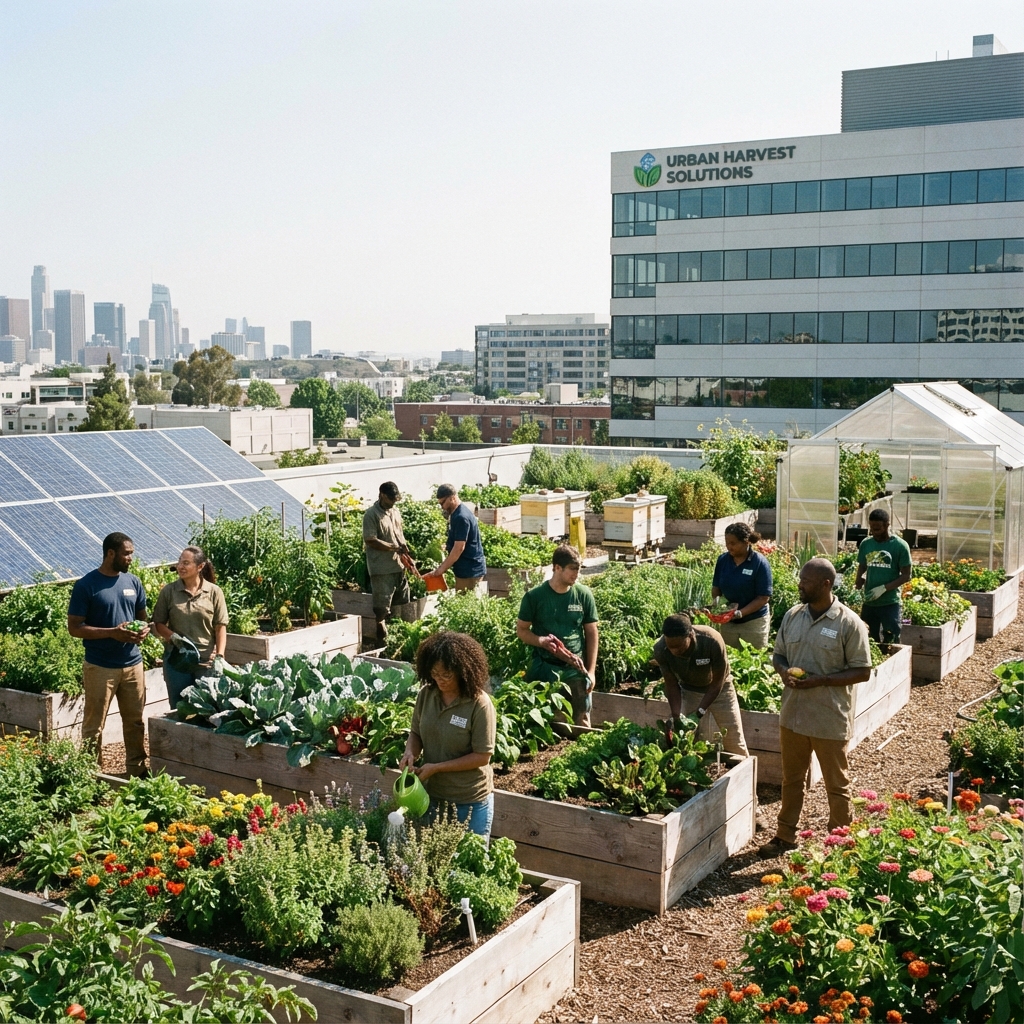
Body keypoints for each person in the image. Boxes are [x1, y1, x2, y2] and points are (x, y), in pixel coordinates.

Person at [759, 557, 873, 859]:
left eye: (806, 581)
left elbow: (863, 671)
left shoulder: (848, 623)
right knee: (791, 780)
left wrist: (821, 680)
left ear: (825, 584)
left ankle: (840, 845)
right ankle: (785, 836)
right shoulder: (793, 616)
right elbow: (778, 655)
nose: (800, 585)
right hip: (793, 715)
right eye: (801, 579)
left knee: (836, 785)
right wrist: (783, 671)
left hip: (829, 718)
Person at [66, 532, 150, 776]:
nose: (131, 558)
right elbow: (74, 628)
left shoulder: (133, 582)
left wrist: (143, 631)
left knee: (135, 722)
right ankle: (90, 775)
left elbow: (143, 619)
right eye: (126, 554)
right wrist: (113, 633)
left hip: (133, 664)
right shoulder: (87, 585)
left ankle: (137, 771)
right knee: (94, 726)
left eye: (131, 553)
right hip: (100, 666)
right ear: (110, 553)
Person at [399, 631, 496, 838]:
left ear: (462, 671)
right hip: (432, 797)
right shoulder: (427, 695)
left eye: (446, 675)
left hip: (469, 801)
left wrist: (437, 768)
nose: (440, 680)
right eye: (435, 674)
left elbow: (482, 756)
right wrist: (410, 753)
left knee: (469, 857)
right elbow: (416, 732)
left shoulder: (479, 704)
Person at [516, 544, 598, 726]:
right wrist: (541, 641)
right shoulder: (535, 597)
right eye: (572, 569)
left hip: (575, 669)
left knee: (581, 724)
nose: (577, 574)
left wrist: (591, 672)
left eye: (579, 569)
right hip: (545, 668)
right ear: (557, 568)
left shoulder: (583, 595)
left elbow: (592, 633)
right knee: (546, 723)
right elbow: (521, 630)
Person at [653, 613, 749, 757]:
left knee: (733, 738)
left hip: (721, 690)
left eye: (679, 647)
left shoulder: (711, 640)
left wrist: (701, 711)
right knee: (687, 739)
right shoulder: (660, 649)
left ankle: (743, 766)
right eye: (670, 646)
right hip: (689, 690)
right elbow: (671, 684)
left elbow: (718, 681)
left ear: (690, 635)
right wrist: (676, 715)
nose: (674, 651)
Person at [152, 546, 229, 709]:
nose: (180, 566)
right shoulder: (169, 591)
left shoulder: (214, 592)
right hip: (177, 661)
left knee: (208, 709)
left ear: (200, 566)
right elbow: (159, 624)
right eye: (180, 561)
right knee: (179, 707)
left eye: (186, 563)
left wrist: (219, 656)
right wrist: (173, 637)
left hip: (205, 662)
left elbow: (220, 627)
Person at [363, 481, 412, 643]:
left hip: (399, 565)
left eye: (395, 499)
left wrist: (404, 549)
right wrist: (393, 547)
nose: (393, 502)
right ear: (382, 495)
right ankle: (381, 639)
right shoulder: (371, 515)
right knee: (382, 607)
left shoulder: (395, 512)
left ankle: (398, 636)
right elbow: (370, 540)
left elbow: (399, 534)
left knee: (402, 602)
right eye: (391, 499)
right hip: (382, 568)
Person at [711, 523, 773, 650]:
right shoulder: (723, 560)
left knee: (754, 657)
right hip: (728, 621)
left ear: (746, 542)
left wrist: (740, 613)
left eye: (733, 543)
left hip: (754, 622)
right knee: (728, 656)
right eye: (727, 543)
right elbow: (716, 588)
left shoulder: (759, 563)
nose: (729, 547)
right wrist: (718, 604)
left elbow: (763, 597)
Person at [855, 509, 912, 645]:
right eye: (872, 528)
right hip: (870, 602)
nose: (874, 532)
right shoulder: (866, 544)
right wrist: (858, 581)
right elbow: (863, 566)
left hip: (890, 603)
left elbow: (906, 575)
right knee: (868, 640)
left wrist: (884, 588)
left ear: (887, 525)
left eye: (878, 529)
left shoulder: (900, 546)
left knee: (892, 639)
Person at [424, 483, 487, 592]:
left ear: (452, 498)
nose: (442, 507)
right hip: (466, 569)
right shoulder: (455, 514)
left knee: (465, 601)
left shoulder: (461, 517)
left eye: (442, 503)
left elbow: (459, 548)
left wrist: (441, 569)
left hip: (469, 571)